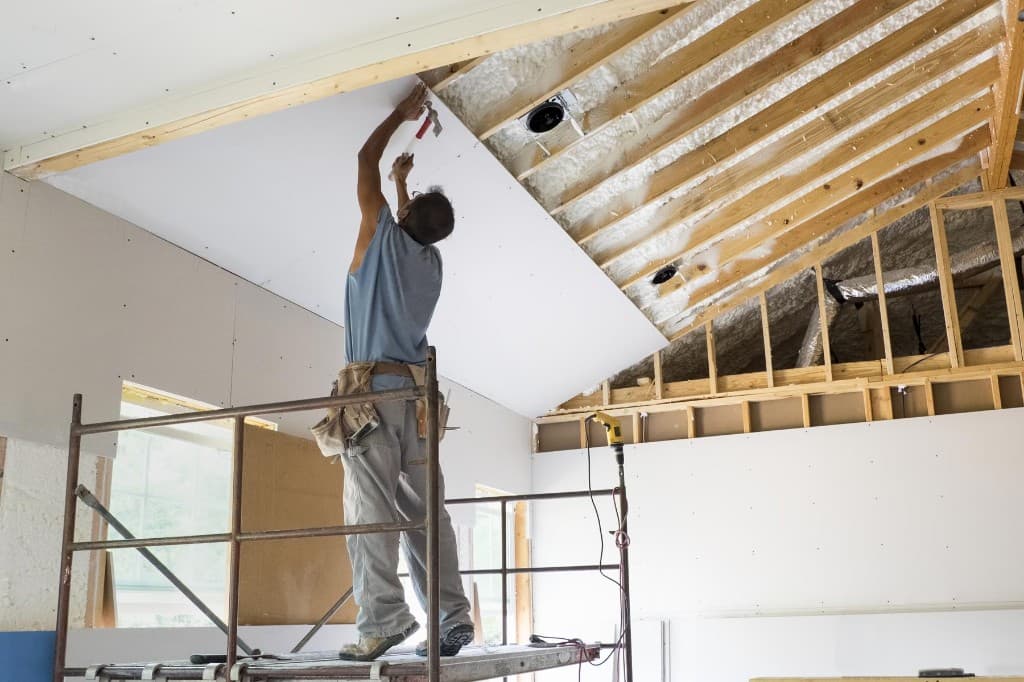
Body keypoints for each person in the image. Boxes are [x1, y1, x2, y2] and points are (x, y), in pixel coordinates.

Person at [336, 82, 473, 662]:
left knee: (370, 509)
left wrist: (401, 113)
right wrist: (401, 183)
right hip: (418, 402)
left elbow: (363, 158)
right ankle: (450, 616)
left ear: (405, 215)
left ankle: (384, 621)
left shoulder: (378, 238)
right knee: (424, 514)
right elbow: (411, 223)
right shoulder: (432, 262)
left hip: (371, 396)